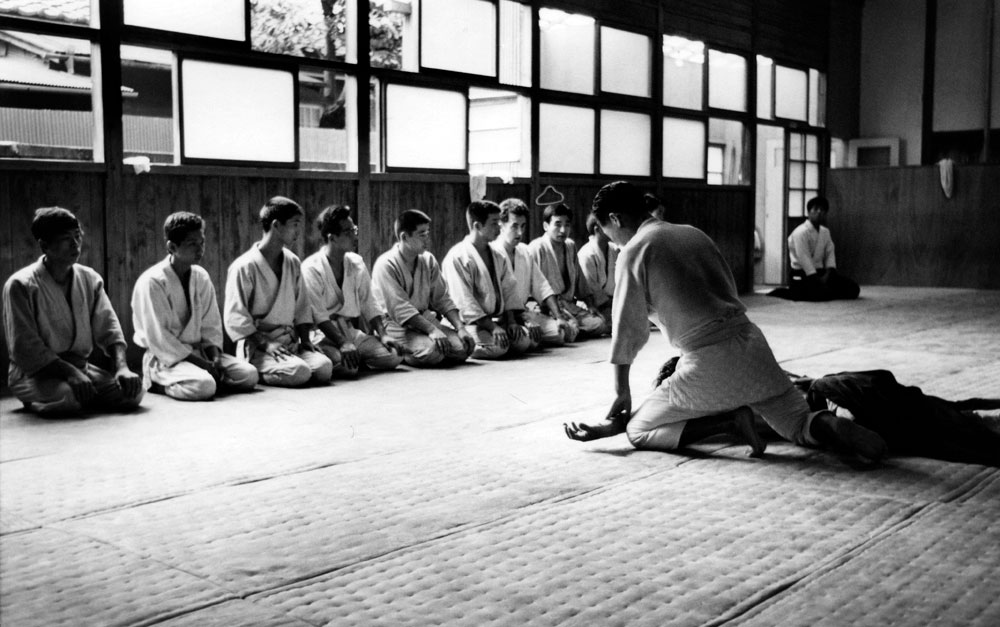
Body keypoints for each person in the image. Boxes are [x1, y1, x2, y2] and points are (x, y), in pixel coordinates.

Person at [563, 181, 887, 464]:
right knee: (798, 423)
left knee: (638, 430)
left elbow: (627, 331)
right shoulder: (693, 234)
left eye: (610, 234)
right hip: (751, 341)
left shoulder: (634, 251)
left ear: (616, 219)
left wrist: (622, 391)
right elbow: (728, 287)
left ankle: (731, 422)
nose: (615, 243)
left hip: (706, 358)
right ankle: (830, 424)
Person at [3, 207, 143, 415]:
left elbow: (109, 328)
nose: (75, 244)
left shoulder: (89, 279)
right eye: (65, 239)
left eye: (77, 236)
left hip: (81, 368)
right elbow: (25, 346)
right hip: (35, 373)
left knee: (134, 392)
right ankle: (35, 401)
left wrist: (122, 367)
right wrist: (69, 373)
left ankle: (75, 396)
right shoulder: (21, 285)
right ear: (44, 245)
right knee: (70, 397)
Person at [132, 212, 259, 401]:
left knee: (249, 374)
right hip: (166, 359)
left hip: (200, 354)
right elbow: (160, 339)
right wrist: (201, 364)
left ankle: (208, 378)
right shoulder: (153, 282)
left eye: (202, 243)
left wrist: (214, 358)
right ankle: (159, 383)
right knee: (204, 386)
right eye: (192, 244)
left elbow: (211, 326)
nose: (200, 249)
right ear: (172, 247)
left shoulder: (201, 277)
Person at [224, 196, 333, 387]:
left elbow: (302, 308)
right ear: (276, 225)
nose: (298, 231)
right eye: (295, 224)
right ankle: (256, 370)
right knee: (300, 372)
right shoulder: (244, 266)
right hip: (259, 346)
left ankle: (289, 364)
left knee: (324, 367)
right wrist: (266, 343)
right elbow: (236, 317)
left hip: (289, 342)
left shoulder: (292, 262)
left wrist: (305, 339)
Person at [302, 205, 402, 377]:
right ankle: (345, 357)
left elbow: (369, 302)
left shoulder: (355, 262)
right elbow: (319, 316)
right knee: (349, 368)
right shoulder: (311, 268)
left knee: (393, 356)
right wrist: (342, 343)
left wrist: (383, 334)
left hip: (350, 332)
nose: (355, 236)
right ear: (332, 238)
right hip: (322, 335)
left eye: (354, 230)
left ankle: (355, 354)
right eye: (348, 232)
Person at [371, 209, 476, 367]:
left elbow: (442, 298)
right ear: (404, 237)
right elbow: (400, 308)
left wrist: (460, 328)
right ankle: (404, 352)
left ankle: (425, 345)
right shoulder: (385, 264)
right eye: (422, 234)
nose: (427, 239)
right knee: (433, 351)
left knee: (462, 348)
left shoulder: (428, 260)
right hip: (395, 324)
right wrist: (432, 330)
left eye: (428, 233)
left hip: (424, 317)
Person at [442, 200, 532, 360]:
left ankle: (495, 335)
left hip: (493, 320)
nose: (499, 228)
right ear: (477, 226)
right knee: (498, 347)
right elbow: (464, 301)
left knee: (523, 341)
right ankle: (463, 341)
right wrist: (492, 327)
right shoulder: (458, 256)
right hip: (469, 323)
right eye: (494, 223)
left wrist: (511, 321)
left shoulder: (497, 255)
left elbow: (508, 289)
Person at [493, 198, 573, 348]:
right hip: (501, 316)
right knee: (523, 342)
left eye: (523, 226)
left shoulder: (524, 251)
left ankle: (528, 333)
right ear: (501, 225)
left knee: (560, 333)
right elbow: (501, 294)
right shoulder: (493, 252)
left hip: (522, 312)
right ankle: (520, 335)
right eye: (514, 226)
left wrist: (558, 316)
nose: (520, 232)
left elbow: (542, 286)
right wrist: (522, 319)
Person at [527, 203, 607, 338]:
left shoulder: (570, 246)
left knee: (600, 324)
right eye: (557, 224)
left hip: (567, 305)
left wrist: (590, 305)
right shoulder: (537, 248)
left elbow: (580, 282)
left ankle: (572, 331)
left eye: (567, 225)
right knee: (561, 332)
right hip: (544, 308)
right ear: (546, 226)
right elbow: (532, 288)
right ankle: (568, 330)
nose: (563, 230)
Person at [786, 196, 860, 301]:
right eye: (815, 209)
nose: (819, 212)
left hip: (821, 273)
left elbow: (830, 252)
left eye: (822, 210)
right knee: (819, 294)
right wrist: (816, 279)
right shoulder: (800, 232)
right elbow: (804, 257)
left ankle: (824, 289)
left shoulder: (825, 232)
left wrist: (828, 273)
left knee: (853, 288)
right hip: (802, 274)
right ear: (809, 212)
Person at [577, 212, 618, 324]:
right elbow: (593, 294)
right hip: (593, 306)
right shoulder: (586, 254)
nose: (615, 228)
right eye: (610, 225)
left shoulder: (614, 250)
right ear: (597, 229)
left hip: (613, 303)